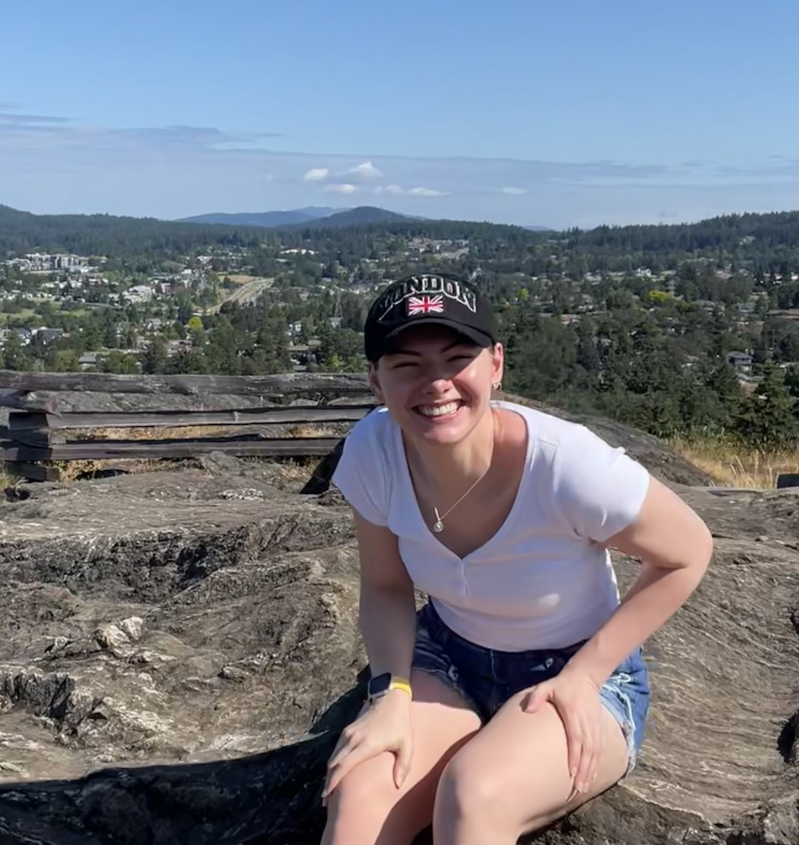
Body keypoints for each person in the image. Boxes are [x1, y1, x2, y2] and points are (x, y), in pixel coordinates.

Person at [322, 273, 713, 845]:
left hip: (574, 669)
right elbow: (384, 585)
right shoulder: (372, 451)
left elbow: (688, 551)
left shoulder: (565, 465)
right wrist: (391, 692)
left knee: (474, 796)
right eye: (406, 364)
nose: (437, 384)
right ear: (376, 382)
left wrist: (586, 674)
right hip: (449, 653)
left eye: (458, 358)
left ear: (496, 364)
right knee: (360, 794)